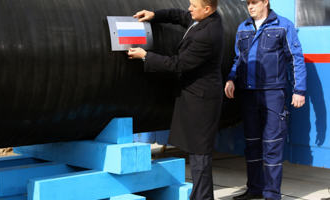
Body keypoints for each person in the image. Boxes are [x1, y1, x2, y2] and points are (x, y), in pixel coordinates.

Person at [127, 0, 224, 199]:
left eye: (193, 6)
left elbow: (178, 63)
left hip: (202, 102)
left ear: (206, 9)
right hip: (196, 96)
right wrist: (154, 14)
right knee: (198, 155)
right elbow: (179, 15)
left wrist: (146, 56)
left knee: (200, 156)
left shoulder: (207, 35)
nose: (189, 9)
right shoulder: (205, 18)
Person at [224, 0, 306, 200]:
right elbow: (238, 58)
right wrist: (231, 78)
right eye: (248, 3)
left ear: (265, 2)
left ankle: (271, 194)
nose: (250, 6)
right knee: (252, 144)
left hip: (273, 94)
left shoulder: (283, 25)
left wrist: (299, 90)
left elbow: (296, 58)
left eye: (254, 2)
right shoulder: (243, 28)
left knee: (272, 145)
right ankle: (254, 189)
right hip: (248, 94)